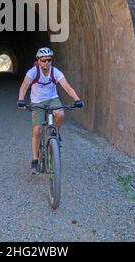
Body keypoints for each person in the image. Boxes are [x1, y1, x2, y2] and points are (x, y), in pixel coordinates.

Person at [17, 47, 83, 175]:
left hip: (53, 99)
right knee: (37, 130)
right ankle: (35, 160)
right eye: (43, 60)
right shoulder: (33, 72)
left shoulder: (55, 72)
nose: (46, 63)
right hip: (37, 101)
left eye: (49, 60)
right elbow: (24, 86)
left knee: (61, 114)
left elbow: (66, 86)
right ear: (38, 60)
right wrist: (20, 99)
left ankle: (54, 132)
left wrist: (77, 99)